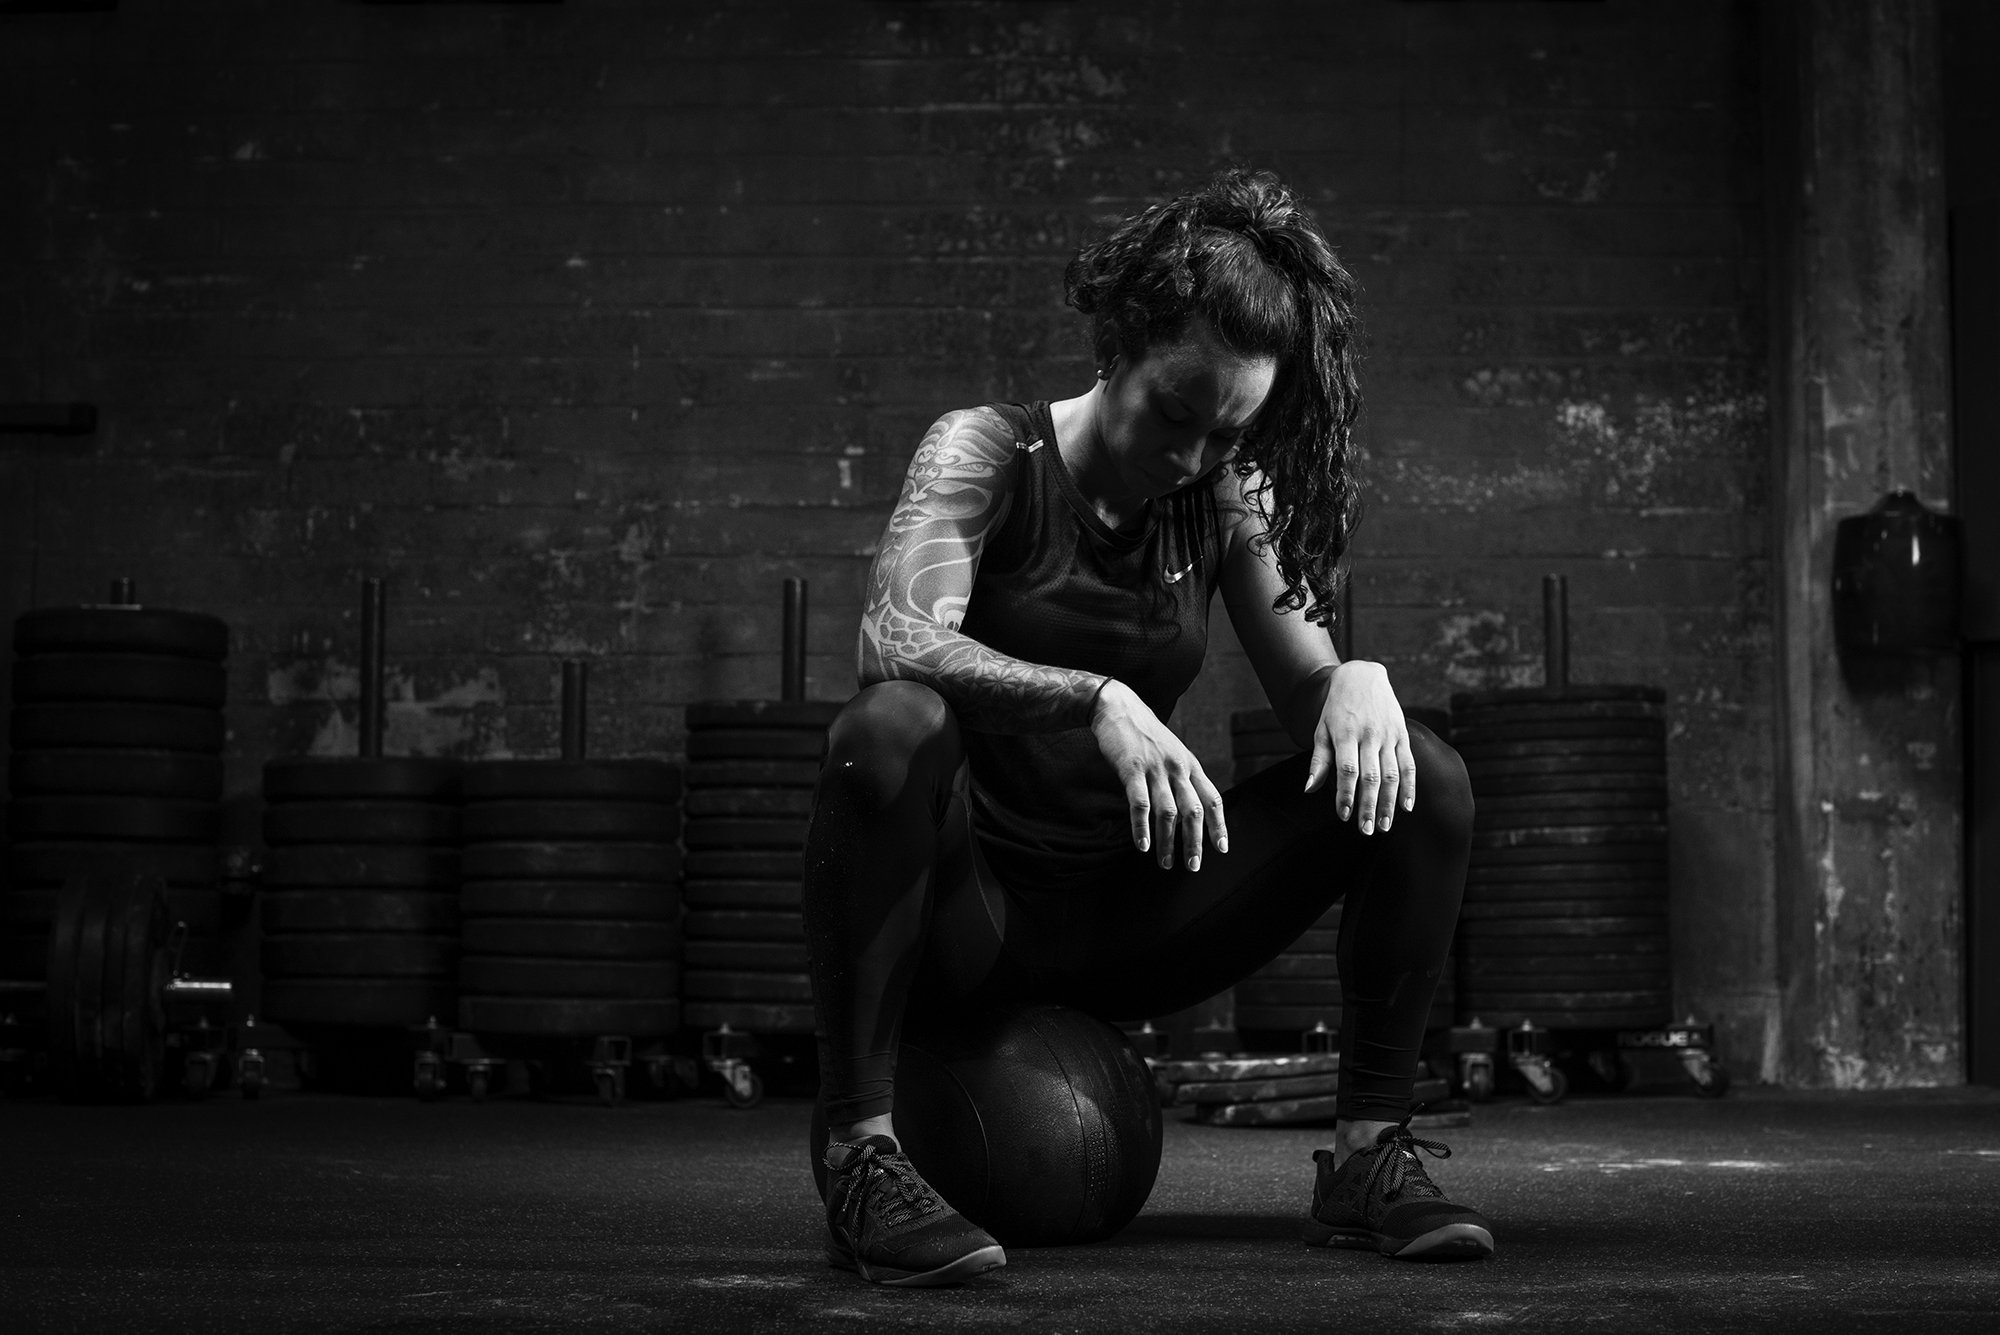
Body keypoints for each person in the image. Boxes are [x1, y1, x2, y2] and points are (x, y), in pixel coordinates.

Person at [802, 167, 1493, 1288]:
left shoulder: (1221, 497)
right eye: (1174, 413)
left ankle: (1366, 1160)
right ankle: (857, 1155)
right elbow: (893, 638)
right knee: (886, 726)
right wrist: (1093, 695)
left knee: (1423, 770)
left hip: (1134, 912)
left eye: (1226, 433)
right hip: (972, 919)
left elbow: (1307, 686)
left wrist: (1354, 675)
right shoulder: (984, 451)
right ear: (1116, 343)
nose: (1189, 458)